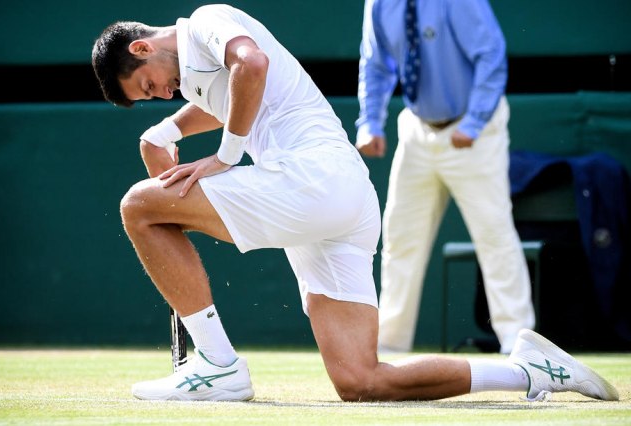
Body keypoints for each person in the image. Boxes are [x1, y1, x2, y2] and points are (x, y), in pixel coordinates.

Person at [91, 4, 618, 402]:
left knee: (137, 206)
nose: (162, 94)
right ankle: (528, 371)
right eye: (152, 97)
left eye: (149, 87)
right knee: (361, 380)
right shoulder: (199, 75)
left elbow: (252, 65)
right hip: (342, 199)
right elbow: (227, 96)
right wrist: (163, 131)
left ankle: (217, 364)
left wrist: (225, 158)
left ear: (142, 49)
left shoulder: (207, 21)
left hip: (312, 180)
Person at [356, 0, 535, 355]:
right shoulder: (377, 3)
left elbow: (491, 54)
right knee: (400, 239)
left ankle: (518, 345)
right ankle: (389, 345)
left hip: (474, 131)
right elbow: (375, 63)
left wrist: (475, 121)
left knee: (494, 234)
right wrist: (370, 122)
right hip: (416, 130)